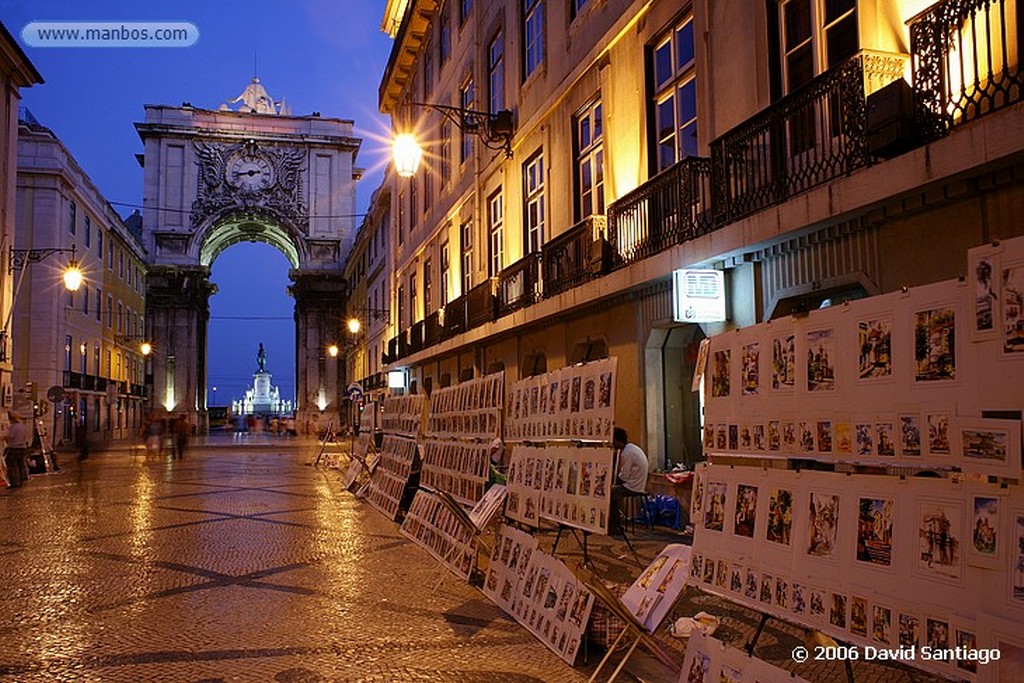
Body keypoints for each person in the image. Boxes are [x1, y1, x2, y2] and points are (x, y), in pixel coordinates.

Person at [610, 427, 649, 533]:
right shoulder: (632, 449)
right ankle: (615, 523)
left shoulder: (627, 453)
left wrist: (612, 483)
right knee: (612, 492)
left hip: (633, 486)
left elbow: (624, 476)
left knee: (609, 494)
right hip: (637, 483)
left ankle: (614, 526)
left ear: (617, 441)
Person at [4, 413, 32, 488]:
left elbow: (10, 436)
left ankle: (14, 483)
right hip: (22, 448)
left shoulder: (13, 427)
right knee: (21, 465)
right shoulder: (23, 426)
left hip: (14, 448)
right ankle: (21, 480)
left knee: (12, 466)